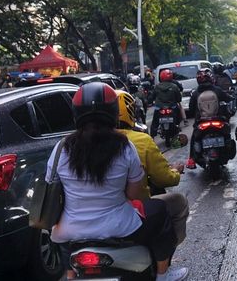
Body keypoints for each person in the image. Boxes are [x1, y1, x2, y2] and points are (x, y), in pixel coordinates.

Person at [48, 82, 188, 281]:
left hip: (69, 231)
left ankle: (71, 275)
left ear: (76, 114)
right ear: (114, 112)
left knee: (61, 244)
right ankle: (163, 275)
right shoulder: (125, 146)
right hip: (120, 227)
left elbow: (54, 190)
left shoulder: (61, 148)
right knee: (160, 211)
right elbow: (134, 195)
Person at [116, 90, 189, 245]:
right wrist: (175, 171)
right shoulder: (136, 142)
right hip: (127, 214)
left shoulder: (70, 146)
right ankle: (164, 261)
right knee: (178, 202)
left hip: (78, 226)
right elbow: (163, 179)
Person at [185, 68, 233, 169]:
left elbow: (190, 108)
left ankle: (191, 159)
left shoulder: (195, 93)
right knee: (227, 134)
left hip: (201, 121)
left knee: (194, 138)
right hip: (218, 119)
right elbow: (228, 98)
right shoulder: (217, 90)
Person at [152, 69, 186, 136]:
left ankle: (152, 136)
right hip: (172, 106)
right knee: (178, 116)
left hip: (159, 107)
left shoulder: (157, 87)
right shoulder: (174, 86)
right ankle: (177, 127)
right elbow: (179, 99)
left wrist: (150, 101)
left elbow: (152, 97)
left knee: (155, 123)